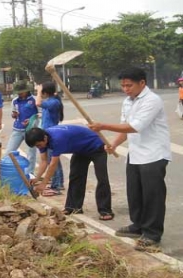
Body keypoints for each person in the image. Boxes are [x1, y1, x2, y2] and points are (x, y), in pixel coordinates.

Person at [89, 67, 171, 253]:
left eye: (129, 85)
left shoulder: (152, 100)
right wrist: (115, 144)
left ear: (142, 83)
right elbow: (124, 129)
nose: (126, 89)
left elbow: (134, 127)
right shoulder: (127, 101)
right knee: (135, 193)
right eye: (123, 85)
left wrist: (102, 125)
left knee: (152, 196)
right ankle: (138, 225)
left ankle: (152, 234)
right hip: (135, 155)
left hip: (154, 155)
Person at [25, 125, 114, 220]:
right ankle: (73, 207)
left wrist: (44, 184)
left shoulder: (57, 139)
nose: (39, 147)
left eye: (38, 145)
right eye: (36, 146)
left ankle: (105, 210)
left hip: (96, 147)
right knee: (75, 177)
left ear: (45, 138)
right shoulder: (41, 139)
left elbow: (53, 164)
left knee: (102, 178)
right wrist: (37, 178)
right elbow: (44, 161)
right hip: (80, 150)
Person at [35, 82, 64, 195]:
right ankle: (58, 183)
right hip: (47, 132)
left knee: (53, 160)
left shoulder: (53, 102)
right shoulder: (51, 101)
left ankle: (56, 186)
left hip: (52, 134)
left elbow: (38, 103)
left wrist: (38, 91)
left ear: (46, 92)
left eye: (42, 92)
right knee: (53, 159)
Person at [4, 81, 38, 175]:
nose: (20, 93)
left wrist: (31, 120)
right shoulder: (15, 101)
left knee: (31, 153)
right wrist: (14, 115)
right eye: (18, 92)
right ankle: (7, 171)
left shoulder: (34, 100)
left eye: (21, 91)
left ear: (27, 91)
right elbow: (13, 113)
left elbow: (39, 114)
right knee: (9, 152)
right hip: (17, 129)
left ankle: (30, 173)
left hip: (30, 130)